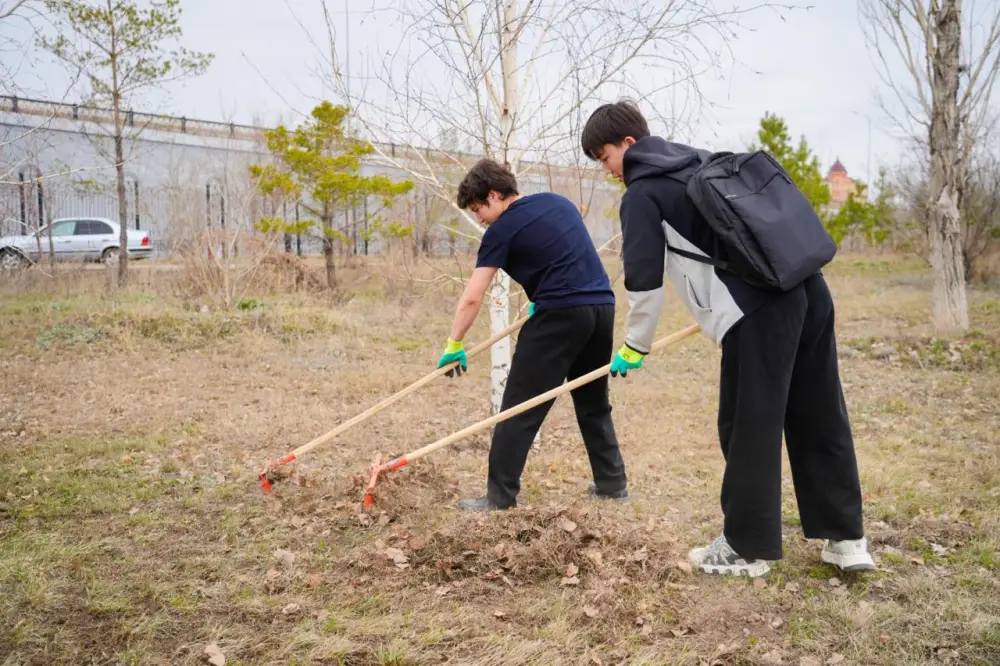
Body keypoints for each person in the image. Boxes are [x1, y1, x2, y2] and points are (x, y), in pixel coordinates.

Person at [580, 100, 874, 577]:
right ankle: (847, 540)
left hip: (760, 310)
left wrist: (635, 345)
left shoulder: (642, 193)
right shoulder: (700, 158)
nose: (606, 169)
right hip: (810, 289)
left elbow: (643, 280)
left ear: (628, 145)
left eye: (604, 156)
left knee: (747, 426)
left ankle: (746, 548)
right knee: (819, 413)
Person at [437, 158, 627, 511]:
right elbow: (564, 253)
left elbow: (473, 297)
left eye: (479, 208)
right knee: (592, 401)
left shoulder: (501, 230)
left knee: (518, 407)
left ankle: (498, 498)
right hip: (601, 307)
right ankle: (612, 483)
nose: (479, 218)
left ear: (495, 195)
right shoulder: (556, 202)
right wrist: (547, 294)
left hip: (560, 314)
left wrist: (454, 343)